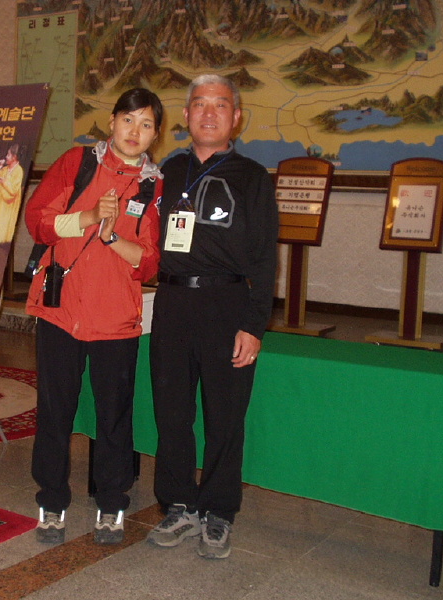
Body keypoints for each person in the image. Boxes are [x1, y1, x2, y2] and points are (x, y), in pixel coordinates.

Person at [146, 74, 279, 559]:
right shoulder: (166, 172)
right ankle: (179, 503)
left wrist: (254, 325)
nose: (208, 113)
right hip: (172, 303)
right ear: (185, 116)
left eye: (219, 105)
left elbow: (265, 259)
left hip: (227, 305)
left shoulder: (253, 177)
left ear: (235, 117)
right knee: (172, 411)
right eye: (199, 104)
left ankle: (219, 510)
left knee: (225, 415)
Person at [25, 88, 164, 546]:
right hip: (61, 311)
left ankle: (111, 503)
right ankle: (51, 500)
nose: (135, 131)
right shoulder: (77, 162)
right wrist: (86, 216)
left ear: (156, 135)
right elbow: (38, 221)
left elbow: (149, 262)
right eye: (128, 120)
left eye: (146, 124)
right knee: (55, 412)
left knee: (114, 416)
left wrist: (111, 238)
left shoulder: (153, 186)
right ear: (112, 121)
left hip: (115, 319)